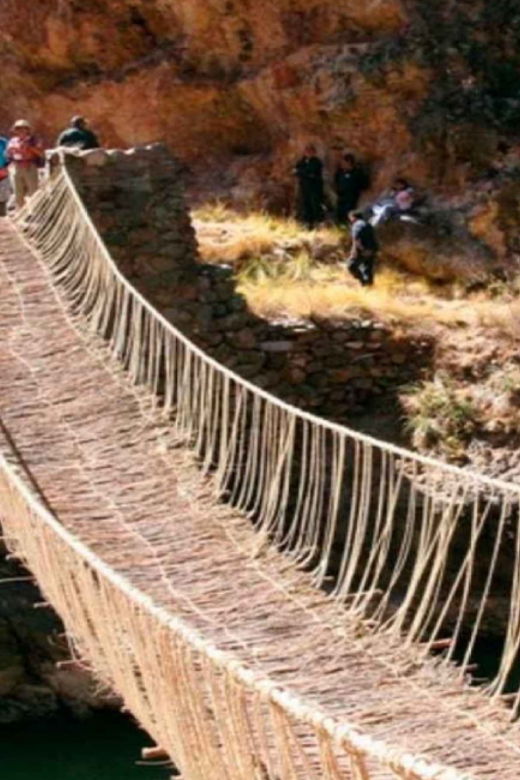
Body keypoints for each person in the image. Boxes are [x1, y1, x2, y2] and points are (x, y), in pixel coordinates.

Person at [6, 120, 43, 210]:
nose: (21, 131)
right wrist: (12, 150)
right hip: (16, 166)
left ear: (27, 130)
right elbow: (7, 154)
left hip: (30, 166)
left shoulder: (33, 140)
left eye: (23, 128)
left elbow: (40, 153)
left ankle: (35, 212)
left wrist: (29, 147)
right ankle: (20, 212)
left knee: (33, 191)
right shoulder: (13, 141)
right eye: (18, 129)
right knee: (18, 191)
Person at [294, 144, 324, 229]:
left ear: (314, 152)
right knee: (305, 204)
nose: (308, 153)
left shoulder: (317, 162)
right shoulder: (302, 161)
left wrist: (302, 172)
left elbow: (312, 173)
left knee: (315, 204)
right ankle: (307, 223)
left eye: (310, 151)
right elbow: (296, 171)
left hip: (314, 188)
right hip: (304, 187)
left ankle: (318, 223)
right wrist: (304, 173)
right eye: (307, 151)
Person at [347, 210, 378, 287]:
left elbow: (356, 239)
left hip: (363, 250)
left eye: (350, 218)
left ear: (353, 217)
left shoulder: (356, 225)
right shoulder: (368, 224)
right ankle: (369, 287)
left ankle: (363, 282)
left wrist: (355, 251)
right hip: (373, 249)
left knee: (351, 266)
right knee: (367, 268)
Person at [334, 153, 365, 224]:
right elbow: (336, 180)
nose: (342, 164)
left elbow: (363, 183)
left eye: (344, 162)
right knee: (340, 212)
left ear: (349, 162)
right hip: (341, 195)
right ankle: (340, 225)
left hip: (351, 196)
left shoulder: (357, 172)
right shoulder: (340, 172)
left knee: (350, 212)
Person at [0, 135, 10, 216]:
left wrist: (6, 166)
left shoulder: (4, 142)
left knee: (2, 196)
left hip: (2, 170)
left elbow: (10, 155)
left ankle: (2, 216)